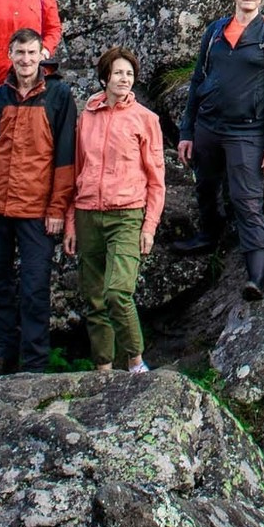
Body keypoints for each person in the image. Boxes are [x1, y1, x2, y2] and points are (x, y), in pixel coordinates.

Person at [170, 0, 264, 300]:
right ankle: (208, 235)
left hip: (248, 132)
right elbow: (197, 81)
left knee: (246, 200)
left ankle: (257, 275)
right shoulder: (214, 32)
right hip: (208, 126)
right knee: (206, 186)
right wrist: (186, 130)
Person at [0, 27, 78, 374]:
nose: (26, 60)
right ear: (9, 56)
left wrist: (58, 208)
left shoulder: (59, 95)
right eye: (19, 53)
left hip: (36, 209)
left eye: (32, 53)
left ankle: (35, 363)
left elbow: (65, 157)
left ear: (42, 55)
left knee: (34, 287)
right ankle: (5, 352)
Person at [68, 45, 163, 372]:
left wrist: (149, 226)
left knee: (117, 292)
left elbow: (156, 178)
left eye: (130, 74)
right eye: (119, 72)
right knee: (94, 298)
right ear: (105, 76)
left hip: (127, 213)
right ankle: (103, 369)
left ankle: (136, 361)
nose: (125, 79)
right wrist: (70, 222)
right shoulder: (86, 117)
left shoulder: (146, 120)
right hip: (87, 213)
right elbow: (76, 170)